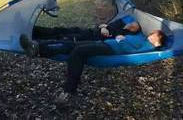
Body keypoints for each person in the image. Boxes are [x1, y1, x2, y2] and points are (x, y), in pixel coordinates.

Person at [20, 29, 167, 104]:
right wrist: (121, 37)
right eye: (153, 33)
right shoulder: (142, 37)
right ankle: (37, 49)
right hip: (106, 43)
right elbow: (128, 38)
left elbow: (137, 50)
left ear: (157, 40)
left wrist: (122, 40)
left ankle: (68, 91)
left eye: (155, 35)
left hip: (111, 50)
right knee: (70, 45)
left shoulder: (149, 46)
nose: (152, 35)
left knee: (78, 52)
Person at [33, 15, 141, 41]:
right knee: (61, 29)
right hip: (90, 31)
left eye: (133, 26)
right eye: (132, 23)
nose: (131, 24)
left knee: (64, 36)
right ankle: (36, 30)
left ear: (133, 30)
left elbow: (116, 38)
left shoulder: (124, 33)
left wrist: (107, 32)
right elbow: (104, 26)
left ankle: (37, 39)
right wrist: (103, 26)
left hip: (93, 36)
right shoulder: (120, 23)